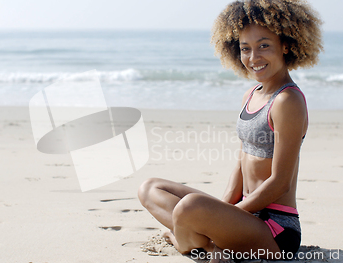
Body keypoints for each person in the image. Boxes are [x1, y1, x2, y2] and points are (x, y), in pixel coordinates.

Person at [138, 0, 323, 261]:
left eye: (264, 46)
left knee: (190, 208)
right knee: (150, 188)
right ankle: (203, 241)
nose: (253, 57)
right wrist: (222, 212)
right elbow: (241, 162)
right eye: (245, 48)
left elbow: (280, 182)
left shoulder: (287, 101)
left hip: (274, 230)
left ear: (286, 44)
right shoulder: (252, 94)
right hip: (243, 214)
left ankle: (194, 241)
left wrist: (230, 215)